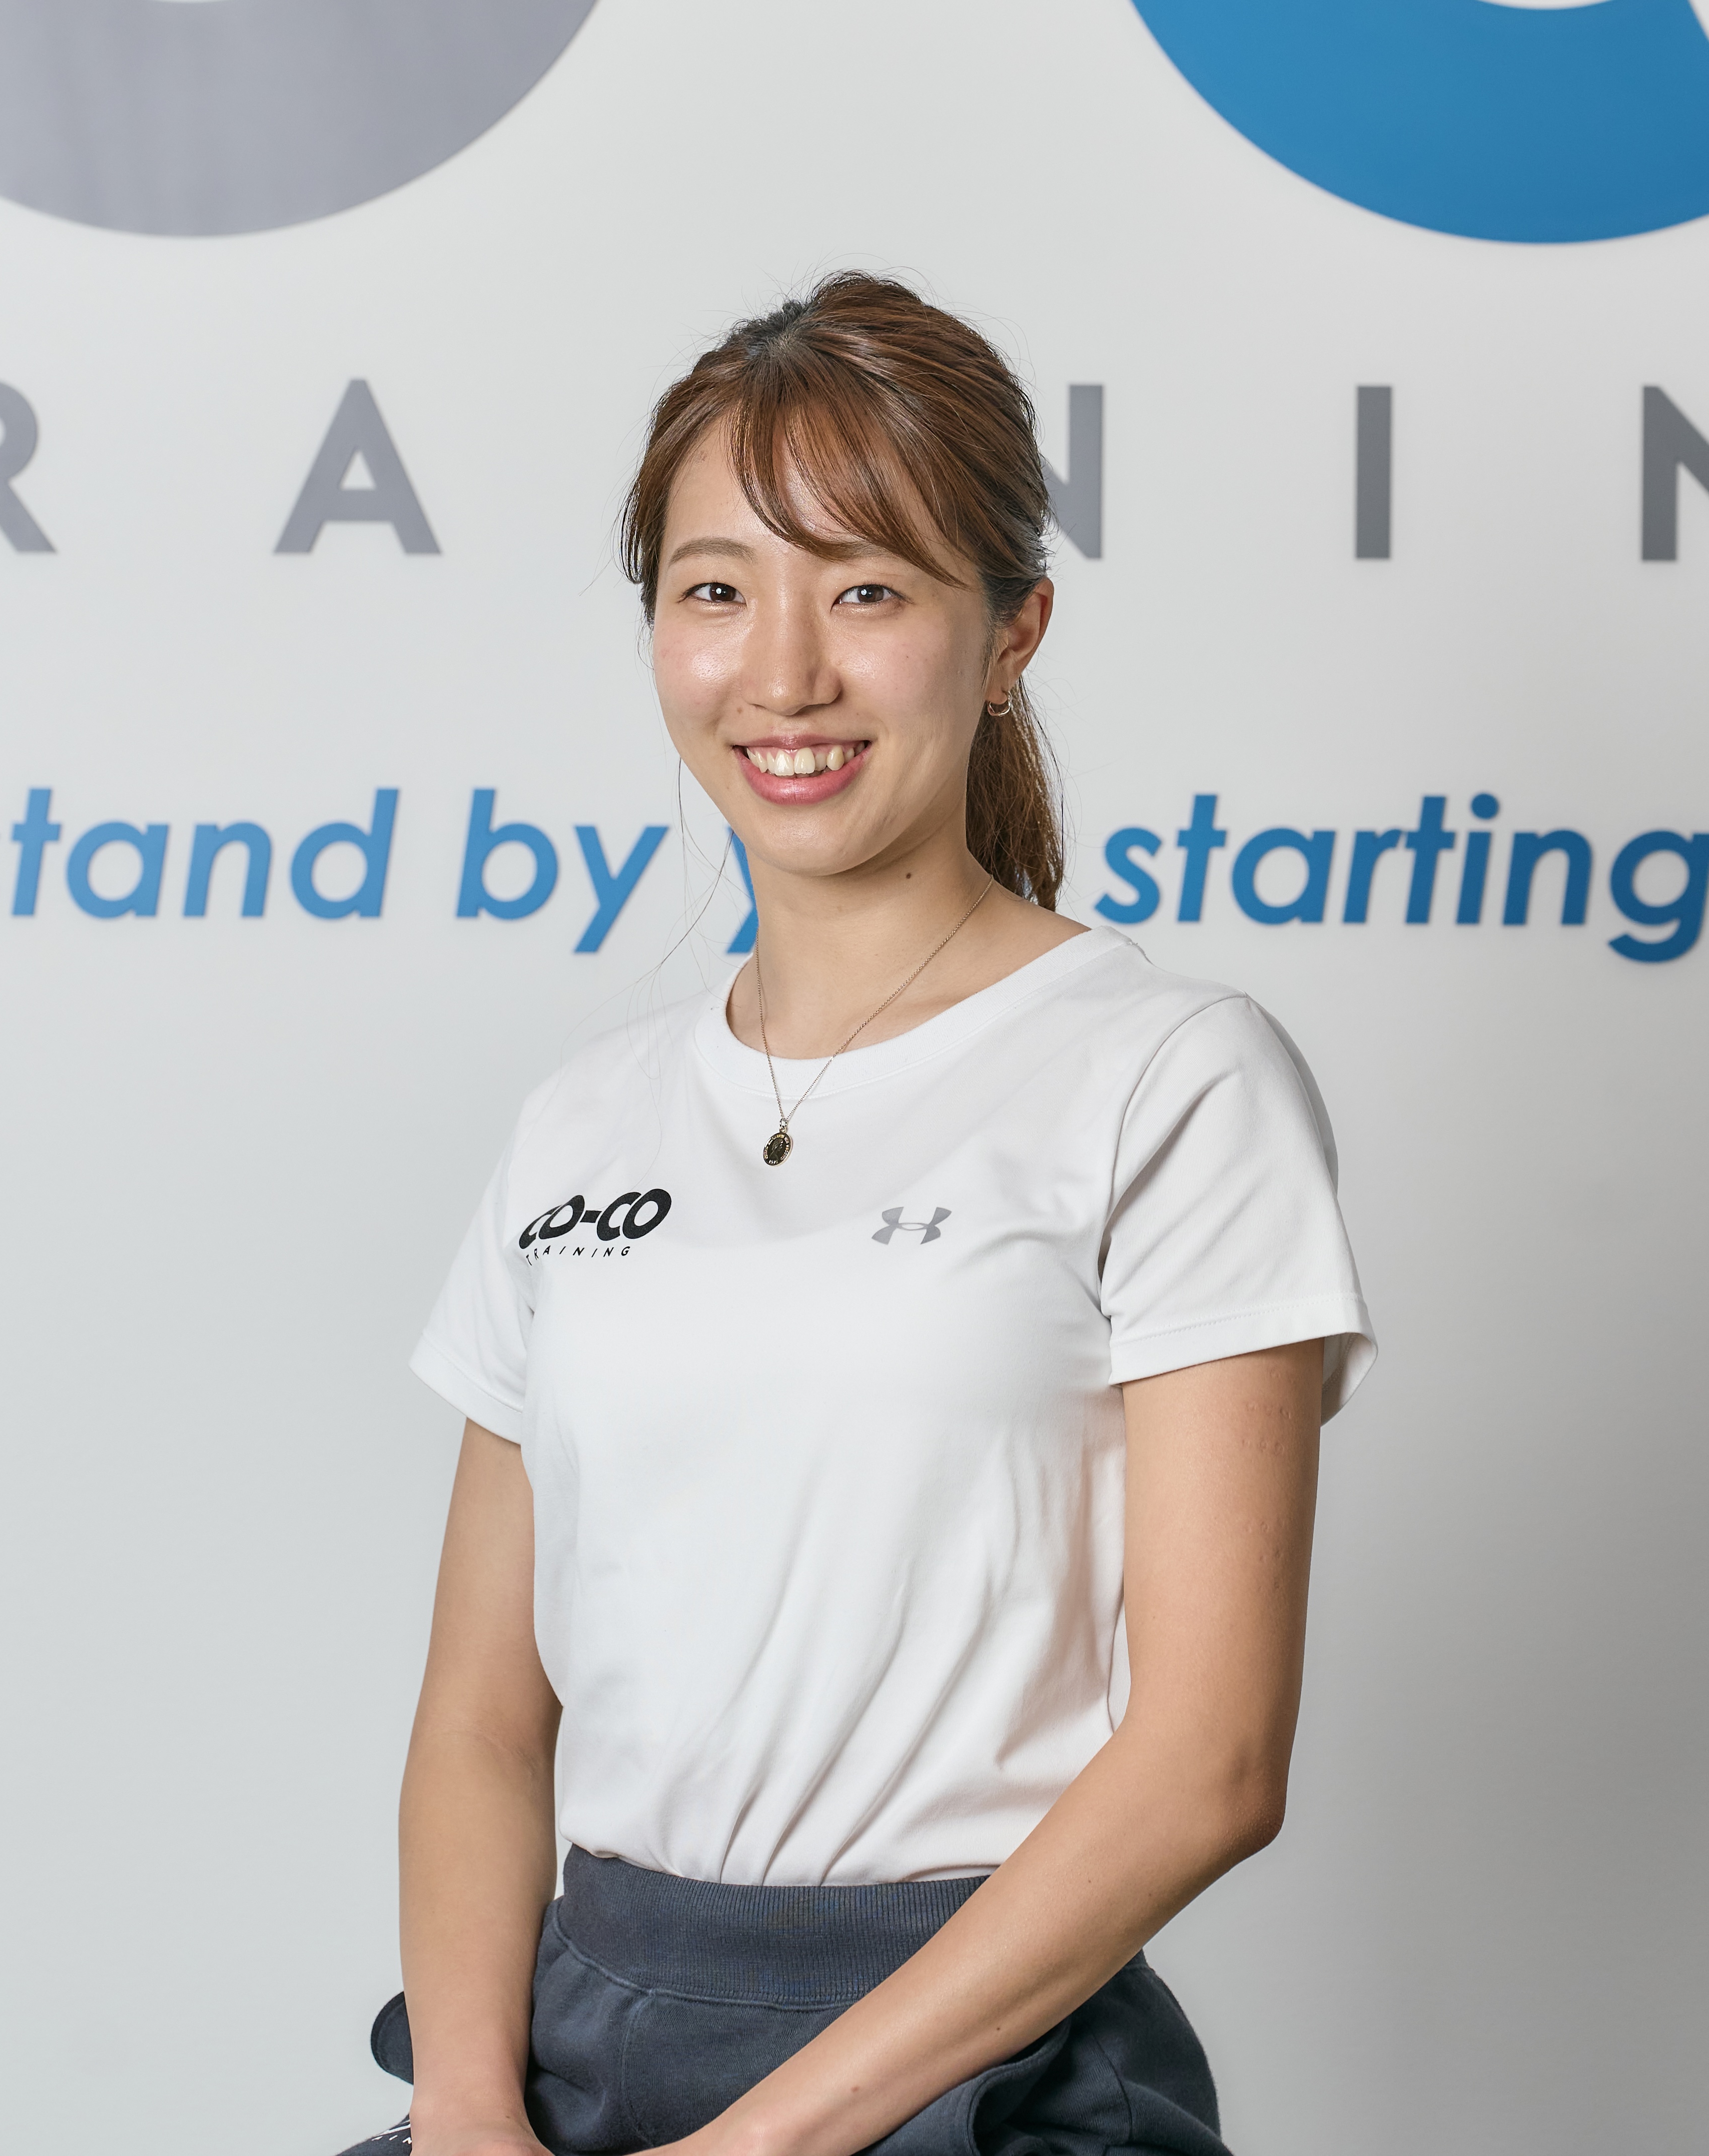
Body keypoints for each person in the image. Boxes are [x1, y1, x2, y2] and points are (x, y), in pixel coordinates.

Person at [339, 273, 1374, 2156]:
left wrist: (755, 2148)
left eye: (870, 591)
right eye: (716, 590)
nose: (785, 673)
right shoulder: (581, 1124)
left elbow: (1213, 1761)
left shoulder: (1172, 1077)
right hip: (576, 2044)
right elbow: (483, 1724)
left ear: (1012, 634)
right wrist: (470, 2117)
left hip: (984, 2064)